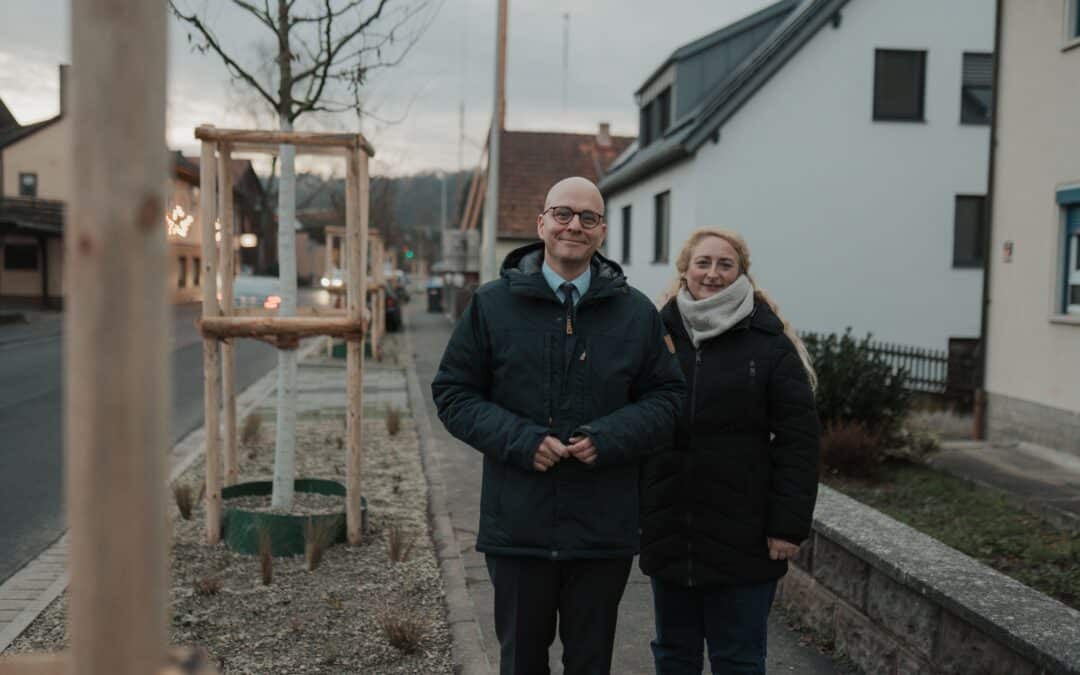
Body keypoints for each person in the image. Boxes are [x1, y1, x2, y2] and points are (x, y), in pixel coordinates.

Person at [432, 176, 685, 675]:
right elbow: (453, 393)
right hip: (518, 526)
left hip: (601, 530)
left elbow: (668, 399)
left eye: (588, 218)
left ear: (602, 231)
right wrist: (523, 441)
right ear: (541, 224)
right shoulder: (491, 305)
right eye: (563, 214)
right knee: (521, 664)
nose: (574, 226)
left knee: (590, 664)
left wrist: (607, 438)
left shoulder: (636, 313)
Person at [640, 228, 820, 675]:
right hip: (672, 532)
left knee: (738, 660)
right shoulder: (655, 336)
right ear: (684, 270)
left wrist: (788, 527)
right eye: (703, 263)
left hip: (745, 539)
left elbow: (799, 441)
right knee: (674, 656)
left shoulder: (769, 343)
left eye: (726, 264)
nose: (713, 274)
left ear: (742, 273)